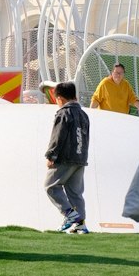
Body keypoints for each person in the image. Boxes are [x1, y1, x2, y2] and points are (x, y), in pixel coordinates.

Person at [45, 81, 90, 234]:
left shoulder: (63, 113)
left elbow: (58, 136)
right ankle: (80, 225)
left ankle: (69, 214)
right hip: (80, 158)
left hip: (65, 158)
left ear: (60, 99)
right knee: (75, 192)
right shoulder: (84, 114)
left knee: (50, 186)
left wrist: (51, 155)